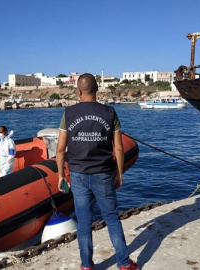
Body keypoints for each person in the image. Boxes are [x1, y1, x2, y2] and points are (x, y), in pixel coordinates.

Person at [56, 73, 138, 270]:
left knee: (83, 221)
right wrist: (119, 173)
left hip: (78, 174)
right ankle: (124, 264)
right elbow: (118, 148)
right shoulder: (110, 113)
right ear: (97, 90)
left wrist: (60, 175)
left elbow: (60, 149)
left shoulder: (69, 113)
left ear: (78, 91)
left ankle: (86, 266)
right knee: (111, 217)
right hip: (103, 173)